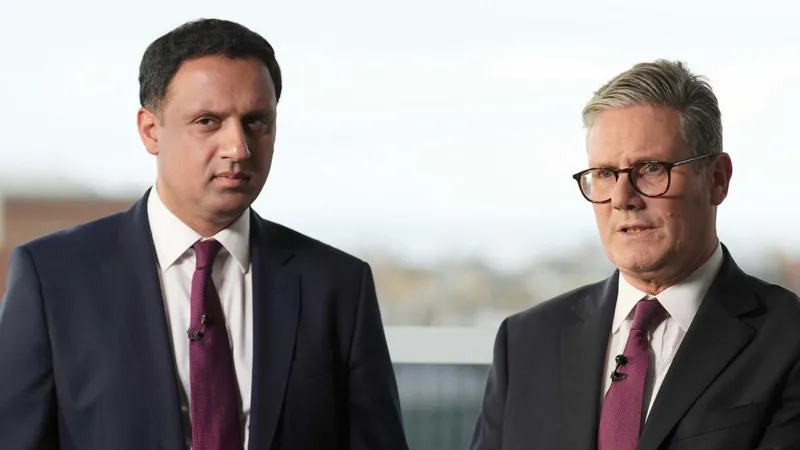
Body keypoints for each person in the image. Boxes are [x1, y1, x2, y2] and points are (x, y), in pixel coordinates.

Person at [0, 18, 409, 450]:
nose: (238, 148)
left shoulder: (338, 286)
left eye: (256, 121)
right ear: (150, 130)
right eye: (208, 121)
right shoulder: (54, 278)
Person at [469, 59, 800, 450]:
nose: (623, 198)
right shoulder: (525, 342)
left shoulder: (788, 339)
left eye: (651, 169)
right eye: (605, 174)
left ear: (717, 179)